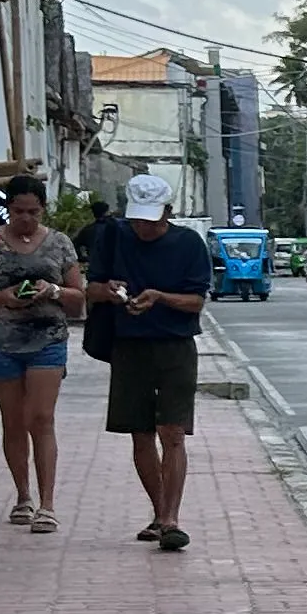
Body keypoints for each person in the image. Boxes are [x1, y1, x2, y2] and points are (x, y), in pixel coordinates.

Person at [95, 171, 211, 551]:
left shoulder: (188, 244)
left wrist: (160, 297)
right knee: (140, 431)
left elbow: (196, 301)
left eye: (151, 219)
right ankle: (160, 514)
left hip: (174, 345)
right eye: (137, 220)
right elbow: (91, 286)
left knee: (172, 431)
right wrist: (110, 291)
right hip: (129, 344)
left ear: (168, 212)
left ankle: (171, 517)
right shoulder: (113, 236)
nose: (143, 228)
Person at [0, 171, 81, 532]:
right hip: (2, 341)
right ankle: (22, 495)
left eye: (33, 212)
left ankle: (48, 504)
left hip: (47, 340)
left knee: (41, 419)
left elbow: (78, 296)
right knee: (14, 421)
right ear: (8, 208)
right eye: (19, 211)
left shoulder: (60, 243)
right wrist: (2, 297)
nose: (26, 219)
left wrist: (51, 291)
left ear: (43, 210)